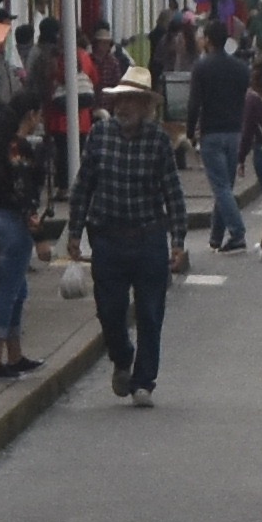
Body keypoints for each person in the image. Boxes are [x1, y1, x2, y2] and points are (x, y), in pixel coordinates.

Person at [72, 70, 183, 403]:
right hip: (107, 236)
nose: (123, 107)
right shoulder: (99, 135)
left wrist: (177, 241)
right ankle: (122, 357)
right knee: (110, 309)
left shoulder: (159, 140)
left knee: (150, 312)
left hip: (148, 237)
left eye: (131, 100)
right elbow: (83, 186)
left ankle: (144, 381)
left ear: (146, 105)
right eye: (120, 99)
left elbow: (173, 193)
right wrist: (74, 234)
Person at [0, 79, 54, 380]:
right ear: (30, 115)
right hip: (12, 224)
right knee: (7, 291)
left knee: (18, 289)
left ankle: (15, 355)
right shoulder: (19, 149)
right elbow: (24, 196)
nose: (41, 120)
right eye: (39, 114)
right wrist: (40, 237)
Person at [188, 33, 257, 253]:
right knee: (226, 184)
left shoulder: (201, 68)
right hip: (235, 131)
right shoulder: (241, 68)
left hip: (212, 132)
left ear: (209, 40)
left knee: (220, 186)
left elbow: (194, 102)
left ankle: (237, 233)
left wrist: (190, 131)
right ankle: (216, 236)